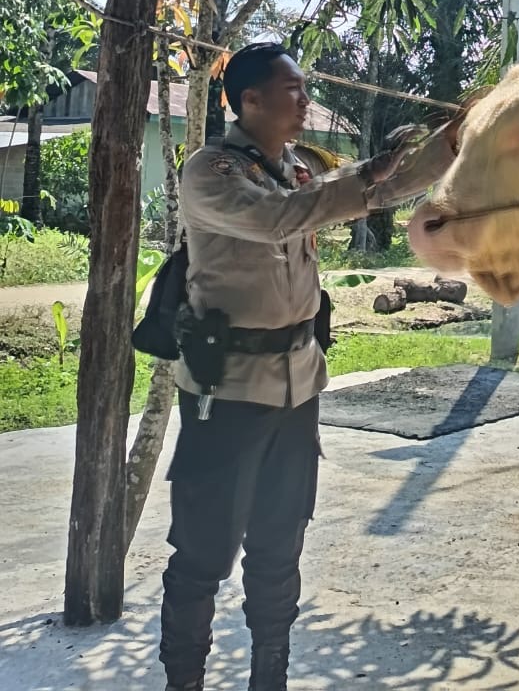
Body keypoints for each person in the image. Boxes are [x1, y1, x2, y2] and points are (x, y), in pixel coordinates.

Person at [159, 43, 457, 691]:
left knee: (279, 545)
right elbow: (280, 220)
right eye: (291, 90)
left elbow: (377, 188)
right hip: (228, 391)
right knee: (202, 555)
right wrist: (367, 175)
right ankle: (183, 679)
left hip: (298, 386)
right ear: (250, 101)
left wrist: (452, 143)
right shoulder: (210, 172)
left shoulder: (296, 168)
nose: (303, 101)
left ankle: (271, 671)